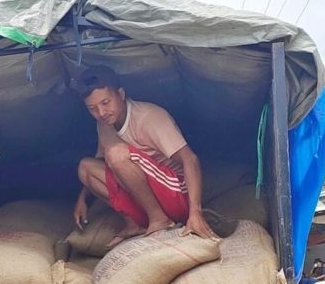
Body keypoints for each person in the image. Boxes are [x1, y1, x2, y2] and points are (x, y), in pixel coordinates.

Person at [73, 66, 218, 246]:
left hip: (177, 194)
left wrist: (195, 213)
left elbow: (190, 159)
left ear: (121, 94)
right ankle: (134, 224)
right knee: (86, 167)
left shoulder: (149, 117)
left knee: (117, 153)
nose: (101, 113)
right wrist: (82, 199)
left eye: (106, 103)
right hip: (149, 198)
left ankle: (160, 220)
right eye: (92, 108)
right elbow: (101, 163)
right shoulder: (104, 124)